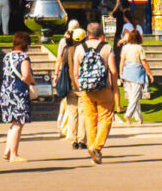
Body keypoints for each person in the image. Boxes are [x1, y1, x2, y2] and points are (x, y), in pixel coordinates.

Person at [74, 21, 119, 164]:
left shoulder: (80, 49)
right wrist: (114, 89)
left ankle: (91, 147)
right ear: (102, 35)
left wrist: (81, 87)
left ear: (87, 34)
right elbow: (113, 71)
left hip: (86, 90)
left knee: (90, 120)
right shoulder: (106, 48)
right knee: (106, 119)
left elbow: (75, 73)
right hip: (104, 88)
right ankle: (97, 147)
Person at [0, 31, 35, 163]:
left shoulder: (7, 57)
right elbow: (26, 75)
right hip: (19, 92)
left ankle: (8, 150)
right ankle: (14, 154)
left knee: (13, 122)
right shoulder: (24, 58)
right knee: (19, 123)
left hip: (6, 91)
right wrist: (33, 82)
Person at [53, 21, 81, 141]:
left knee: (69, 107)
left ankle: (68, 131)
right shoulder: (80, 46)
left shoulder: (64, 43)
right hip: (76, 81)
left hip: (67, 79)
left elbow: (59, 59)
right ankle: (75, 133)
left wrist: (56, 73)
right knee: (76, 109)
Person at [120, 28, 153, 124]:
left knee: (132, 96)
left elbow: (122, 61)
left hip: (127, 73)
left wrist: (120, 73)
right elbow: (144, 62)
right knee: (135, 96)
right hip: (137, 74)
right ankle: (128, 114)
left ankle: (139, 118)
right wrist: (150, 73)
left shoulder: (125, 47)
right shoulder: (139, 48)